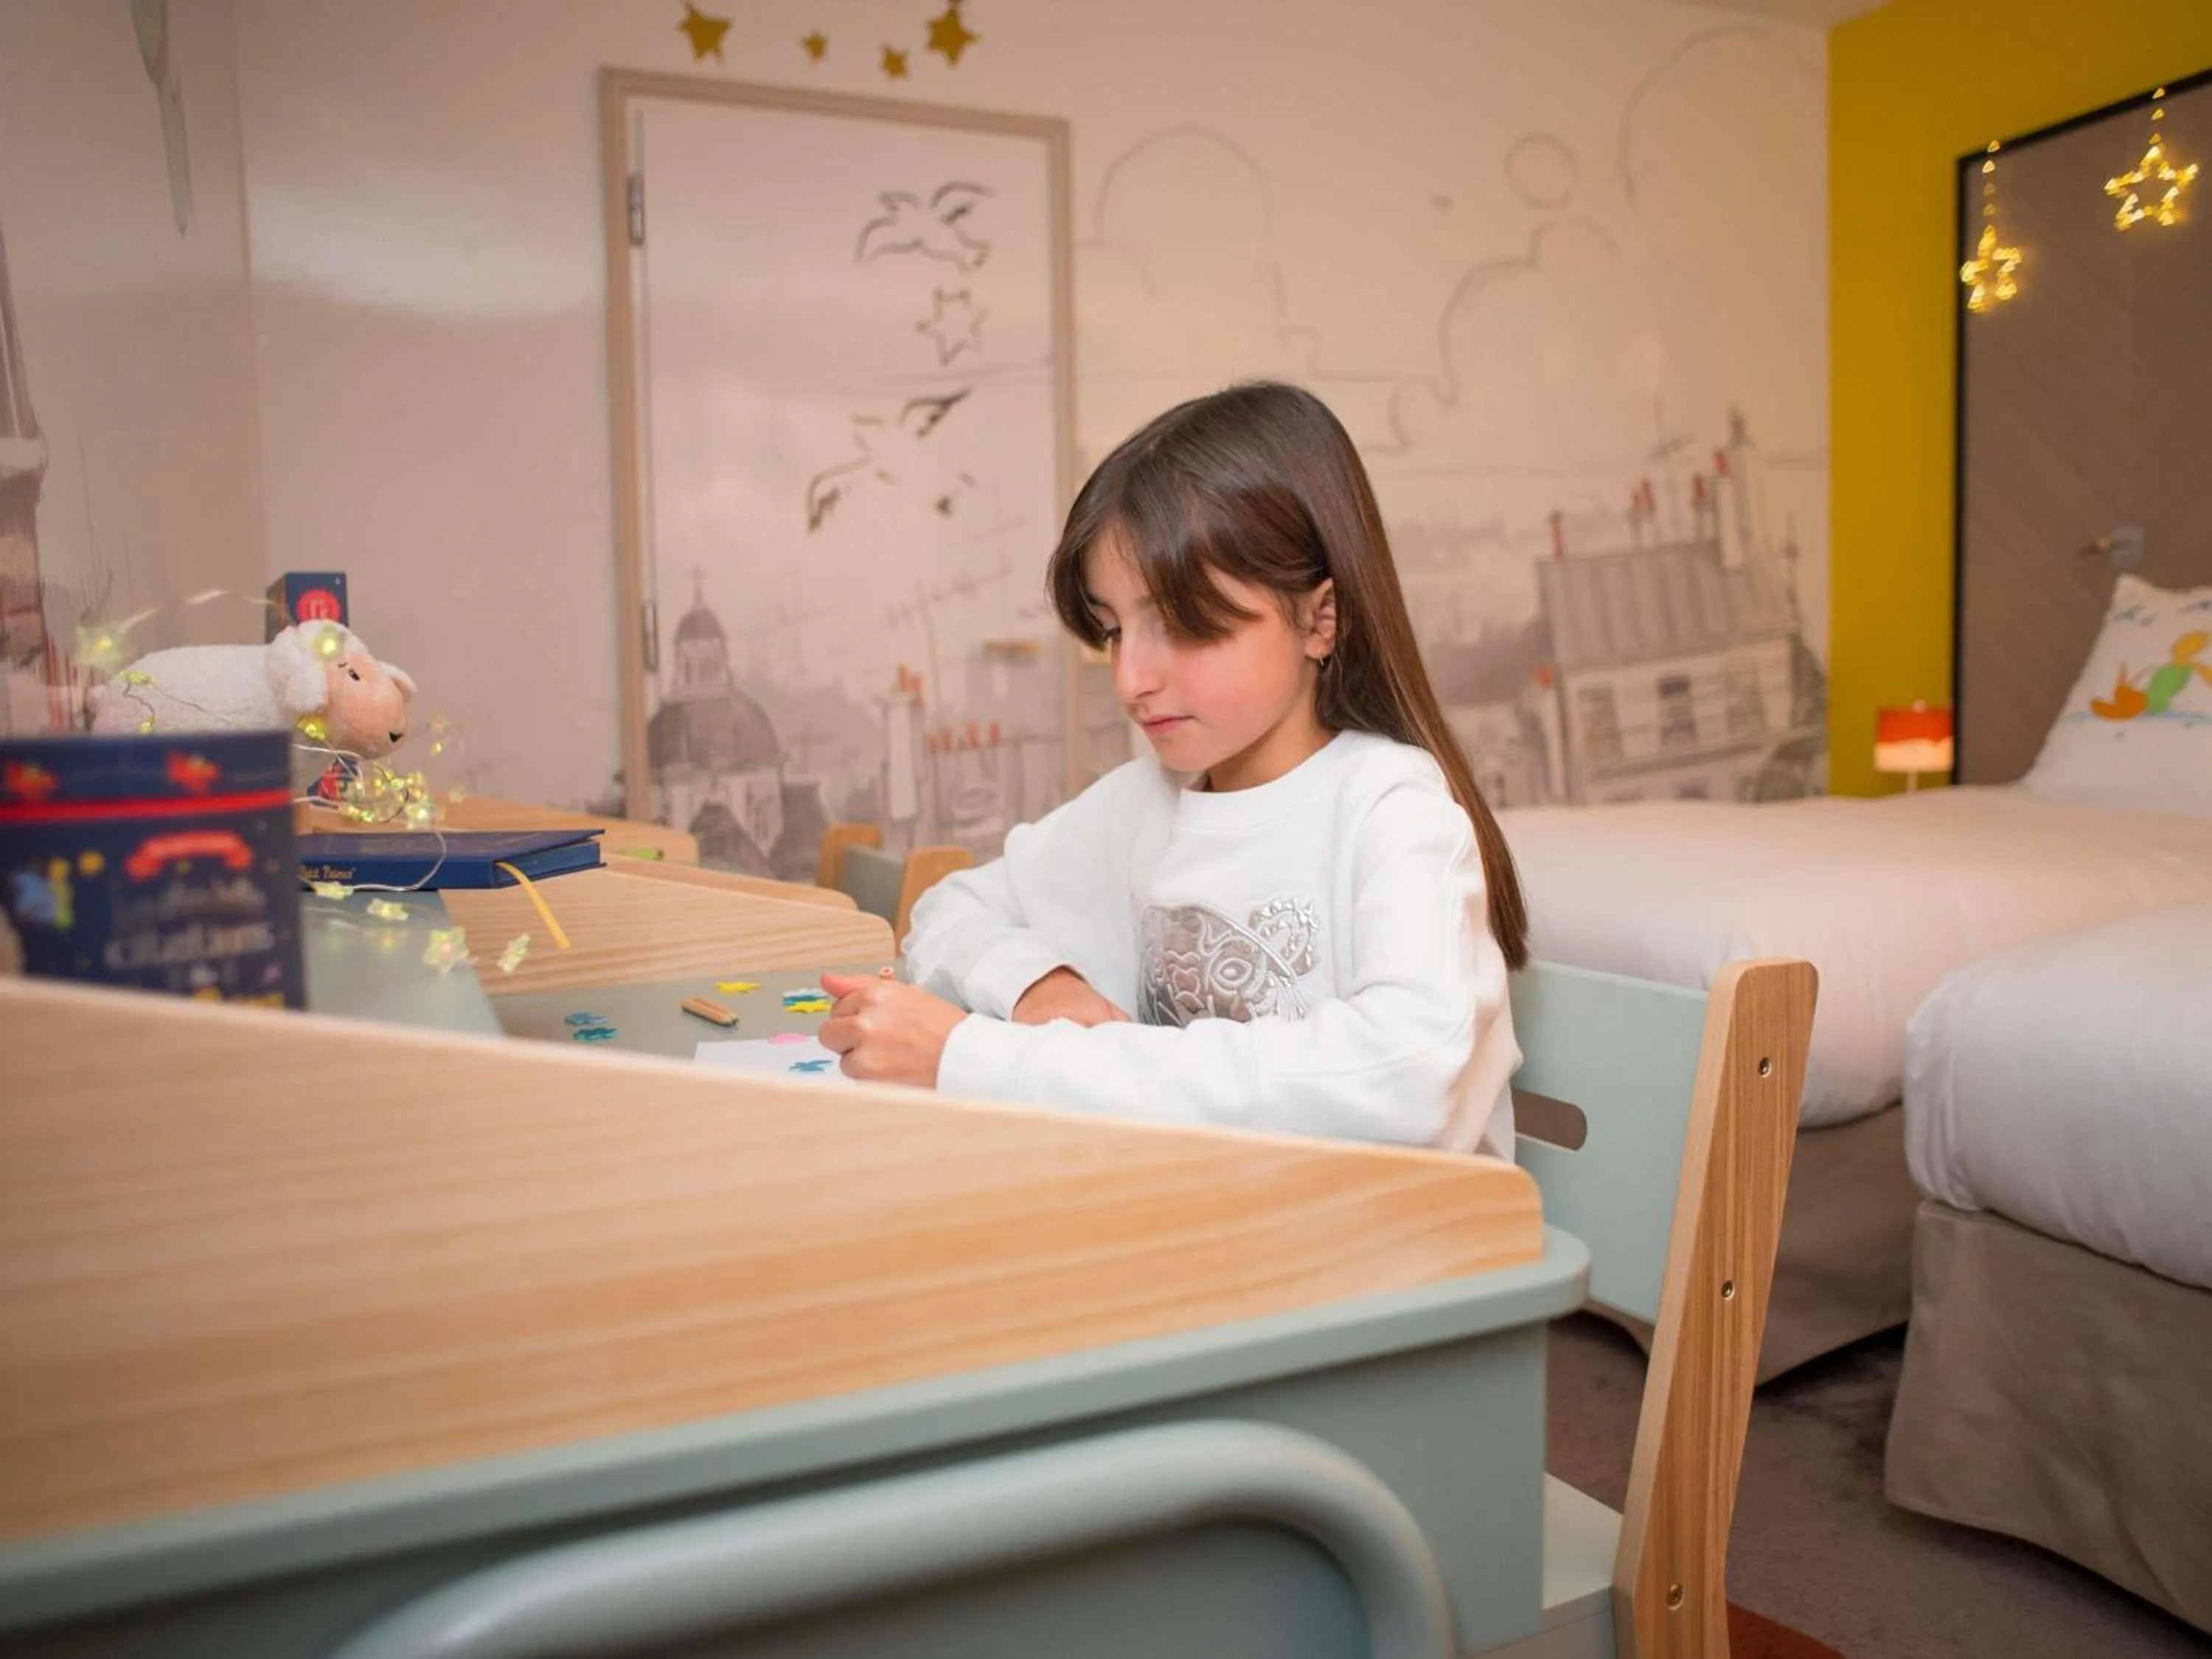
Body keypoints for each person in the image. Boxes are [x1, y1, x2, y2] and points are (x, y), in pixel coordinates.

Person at [819, 381, 1529, 1158]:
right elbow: (949, 910)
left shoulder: (1393, 810)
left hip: (1404, 1254)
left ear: (1320, 620)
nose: (1131, 679)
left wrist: (983, 1060)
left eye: (1183, 624)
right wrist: (1038, 987)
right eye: (1114, 629)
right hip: (1214, 1222)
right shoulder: (1143, 804)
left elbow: (1405, 1083)